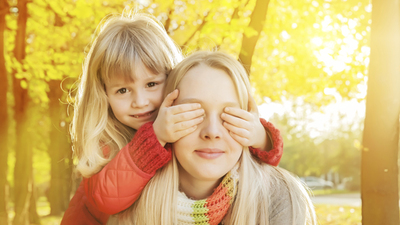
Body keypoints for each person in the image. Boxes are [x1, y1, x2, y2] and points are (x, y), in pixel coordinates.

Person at [61, 12, 284, 224]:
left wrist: (260, 137)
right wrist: (154, 137)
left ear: (172, 79)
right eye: (122, 90)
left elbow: (265, 159)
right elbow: (107, 198)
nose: (140, 101)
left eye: (151, 84)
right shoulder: (107, 146)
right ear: (104, 95)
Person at [108, 51, 317, 225]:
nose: (212, 131)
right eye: (194, 113)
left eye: (230, 115)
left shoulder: (281, 197)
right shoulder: (129, 204)